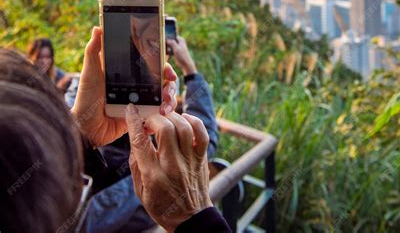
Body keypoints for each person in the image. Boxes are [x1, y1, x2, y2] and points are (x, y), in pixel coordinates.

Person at [0, 27, 231, 233]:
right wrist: (194, 219)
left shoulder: (85, 138)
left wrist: (79, 136)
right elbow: (201, 146)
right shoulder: (124, 191)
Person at [84, 33, 219, 232]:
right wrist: (190, 71)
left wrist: (82, 135)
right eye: (138, 40)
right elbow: (201, 144)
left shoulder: (97, 116)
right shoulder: (146, 181)